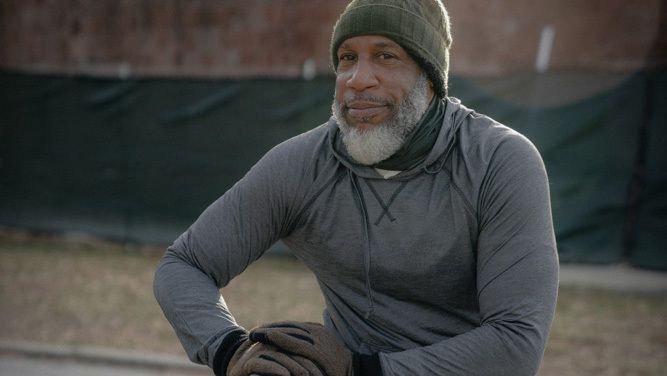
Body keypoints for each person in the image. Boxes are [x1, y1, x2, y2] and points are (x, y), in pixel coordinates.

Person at [153, 0, 559, 375]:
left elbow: (515, 343)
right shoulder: (303, 164)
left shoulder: (499, 162)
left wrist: (361, 371)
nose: (357, 79)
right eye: (347, 58)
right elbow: (184, 265)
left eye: (386, 56)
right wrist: (230, 351)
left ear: (430, 80)